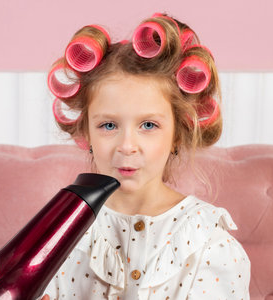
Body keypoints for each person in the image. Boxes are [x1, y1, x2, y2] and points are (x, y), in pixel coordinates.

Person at [39, 12, 251, 300]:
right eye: (109, 125)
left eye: (148, 125)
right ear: (86, 132)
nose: (127, 146)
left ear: (178, 132)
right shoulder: (62, 231)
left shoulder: (206, 242)